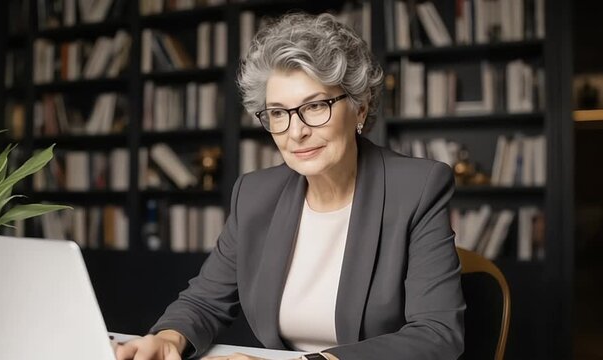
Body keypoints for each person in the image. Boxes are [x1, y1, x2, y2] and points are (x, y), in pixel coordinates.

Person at [116, 12, 465, 360]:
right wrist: (169, 337)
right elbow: (205, 300)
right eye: (279, 113)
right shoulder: (255, 194)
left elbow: (436, 335)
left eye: (315, 106)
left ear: (360, 108)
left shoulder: (417, 188)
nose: (296, 132)